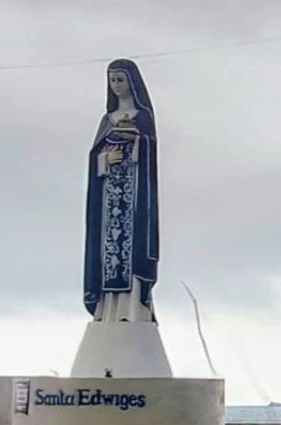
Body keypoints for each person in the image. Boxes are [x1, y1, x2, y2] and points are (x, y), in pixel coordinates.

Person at [83, 59, 160, 323]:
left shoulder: (143, 117)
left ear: (131, 83)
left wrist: (136, 142)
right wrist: (105, 160)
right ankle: (107, 308)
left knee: (132, 250)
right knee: (108, 252)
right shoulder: (107, 120)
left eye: (120, 80)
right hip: (109, 198)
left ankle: (133, 307)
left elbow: (150, 149)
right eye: (112, 80)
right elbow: (95, 156)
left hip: (134, 195)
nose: (116, 86)